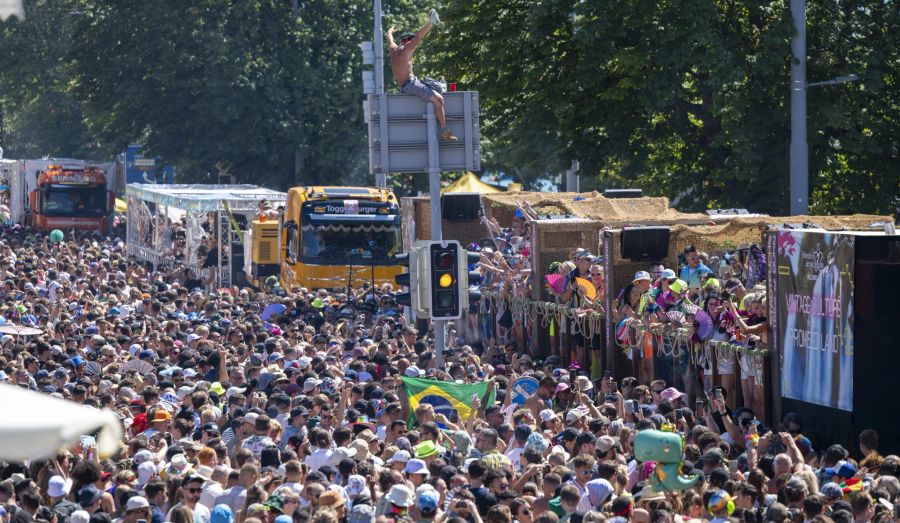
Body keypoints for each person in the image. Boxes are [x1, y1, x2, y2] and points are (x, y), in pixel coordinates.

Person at [387, 10, 458, 142]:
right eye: (412, 42)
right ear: (407, 42)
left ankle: (439, 90)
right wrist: (430, 23)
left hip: (409, 84)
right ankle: (444, 132)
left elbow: (389, 39)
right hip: (411, 85)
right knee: (439, 100)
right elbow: (419, 37)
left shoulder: (393, 49)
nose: (415, 45)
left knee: (436, 86)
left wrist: (390, 31)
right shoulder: (407, 49)